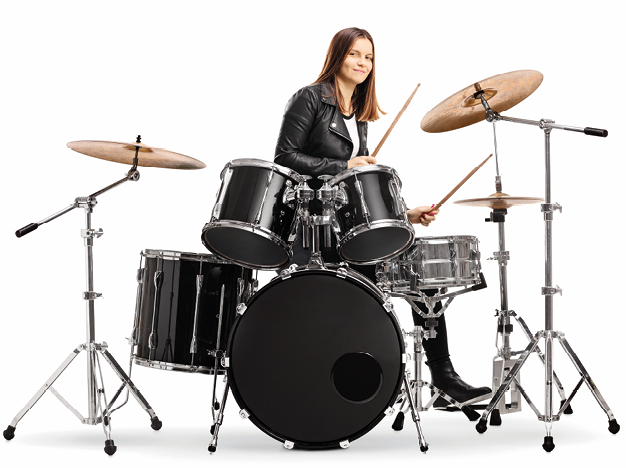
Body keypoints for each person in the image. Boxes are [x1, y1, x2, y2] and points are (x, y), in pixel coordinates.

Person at [274, 27, 490, 406]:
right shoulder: (309, 98)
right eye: (355, 54)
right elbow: (284, 157)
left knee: (425, 277)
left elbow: (358, 188)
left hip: (351, 227)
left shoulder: (357, 111)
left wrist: (405, 212)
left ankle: (443, 378)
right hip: (316, 229)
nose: (362, 63)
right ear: (338, 56)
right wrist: (342, 162)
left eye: (369, 57)